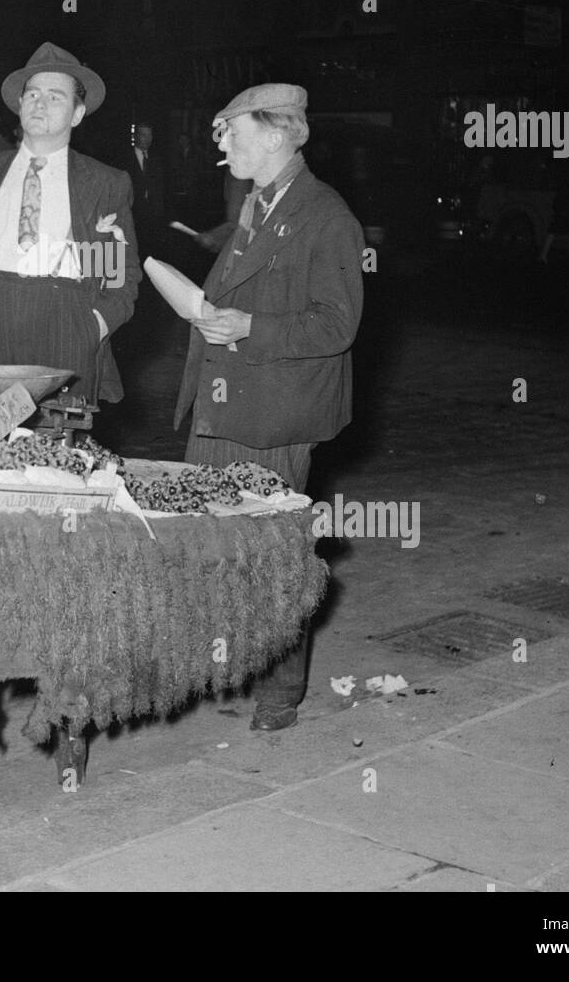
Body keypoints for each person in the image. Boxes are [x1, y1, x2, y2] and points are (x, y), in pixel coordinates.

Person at [173, 83, 364, 732]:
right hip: (228, 405)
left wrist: (249, 324)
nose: (223, 145)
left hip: (277, 414)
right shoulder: (256, 204)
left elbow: (336, 325)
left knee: (274, 555)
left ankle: (281, 688)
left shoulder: (327, 214)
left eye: (234, 131)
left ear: (279, 132)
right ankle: (231, 660)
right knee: (214, 545)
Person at [0, 42, 141, 404]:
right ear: (19, 104)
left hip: (66, 324)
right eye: (32, 94)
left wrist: (92, 325)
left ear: (78, 114)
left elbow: (116, 274)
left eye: (55, 96)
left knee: (57, 452)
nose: (39, 103)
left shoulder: (102, 183)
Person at [128, 121, 167, 257]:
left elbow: (160, 188)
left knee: (151, 252)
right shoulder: (125, 159)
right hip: (133, 214)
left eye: (150, 135)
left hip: (153, 215)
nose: (148, 139)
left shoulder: (156, 159)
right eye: (144, 135)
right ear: (136, 136)